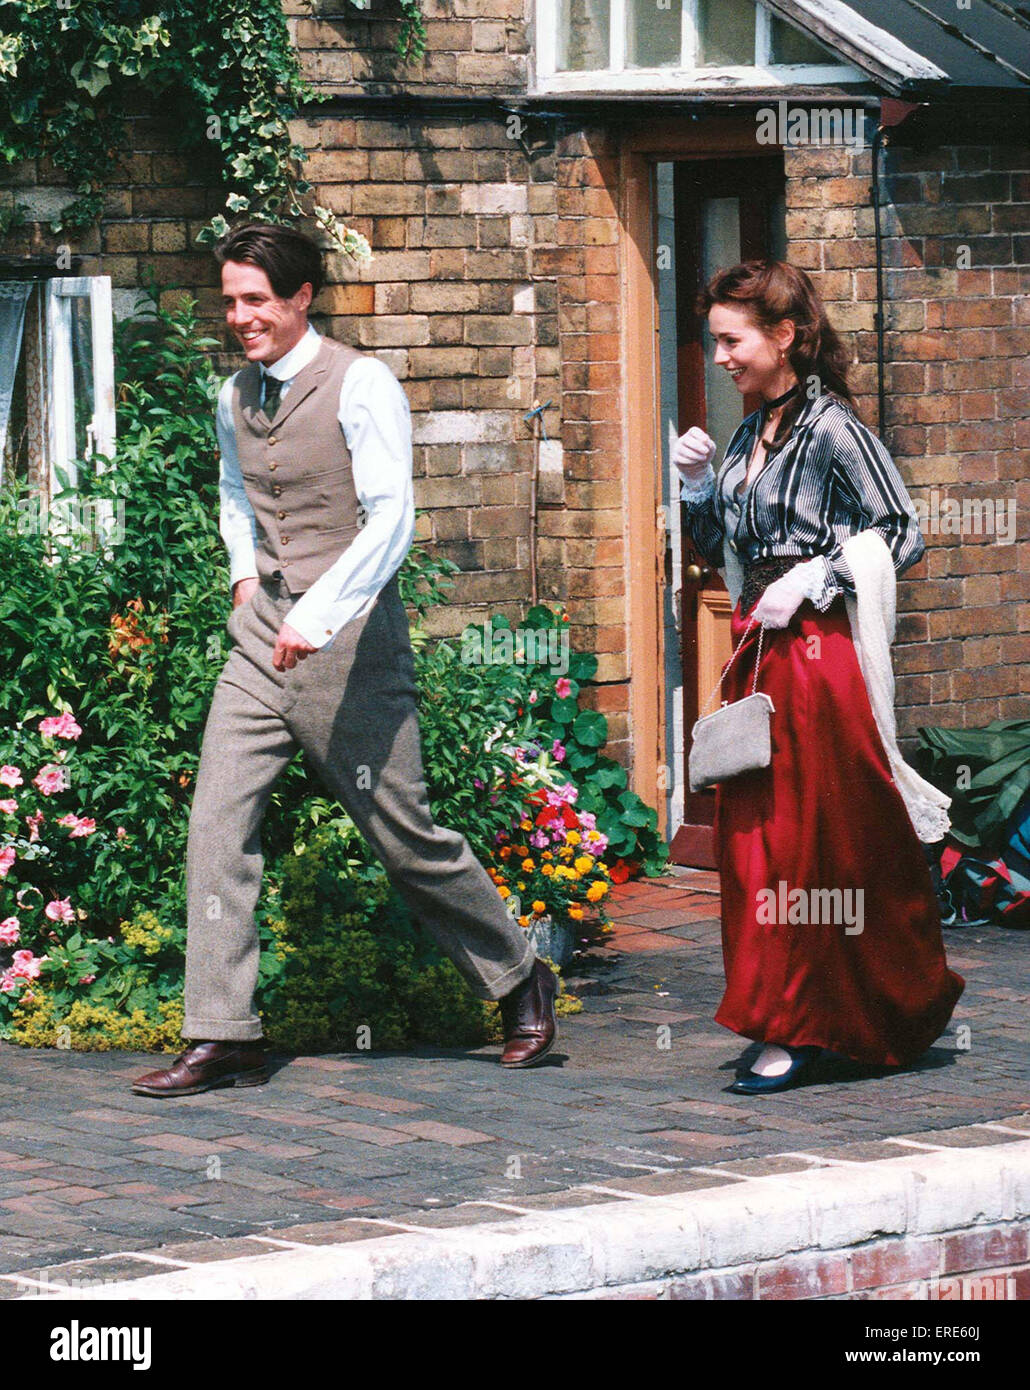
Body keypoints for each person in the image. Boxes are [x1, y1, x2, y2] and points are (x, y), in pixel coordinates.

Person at [132, 222, 556, 1097]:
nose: (240, 318)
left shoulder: (360, 383)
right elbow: (231, 491)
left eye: (256, 300)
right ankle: (224, 1033)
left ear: (300, 299)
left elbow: (390, 518)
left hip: (352, 639)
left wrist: (318, 617)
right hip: (263, 638)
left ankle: (518, 977)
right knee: (218, 824)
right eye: (231, 302)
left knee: (406, 838)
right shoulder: (232, 396)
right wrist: (246, 578)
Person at [673, 260, 963, 1096]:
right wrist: (694, 486)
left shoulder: (832, 429)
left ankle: (817, 1019)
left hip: (818, 659)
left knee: (817, 845)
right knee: (754, 842)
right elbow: (712, 545)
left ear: (786, 336)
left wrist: (818, 576)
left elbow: (901, 530)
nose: (720, 357)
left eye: (732, 340)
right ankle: (785, 1011)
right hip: (757, 659)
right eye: (713, 341)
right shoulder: (745, 433)